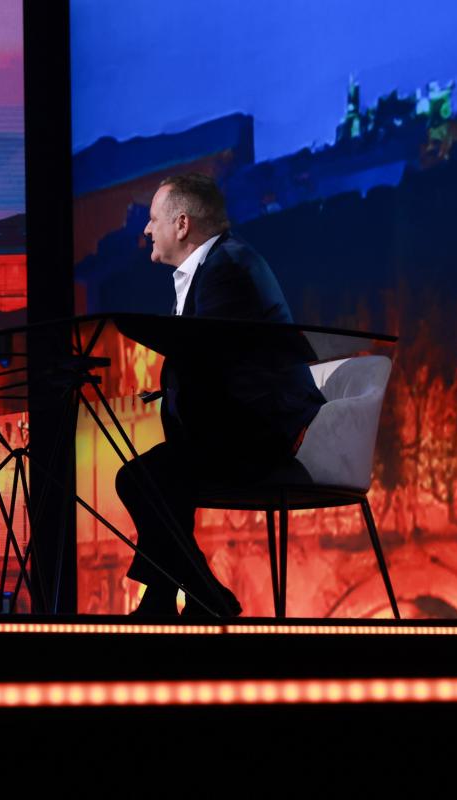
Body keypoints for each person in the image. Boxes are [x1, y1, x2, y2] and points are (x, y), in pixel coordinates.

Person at [116, 174, 325, 617]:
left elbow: (210, 361)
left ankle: (204, 595)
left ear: (182, 224)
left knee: (142, 478)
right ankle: (170, 598)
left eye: (154, 219)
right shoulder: (216, 264)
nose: (147, 229)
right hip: (237, 426)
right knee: (157, 476)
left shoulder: (225, 270)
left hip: (262, 435)